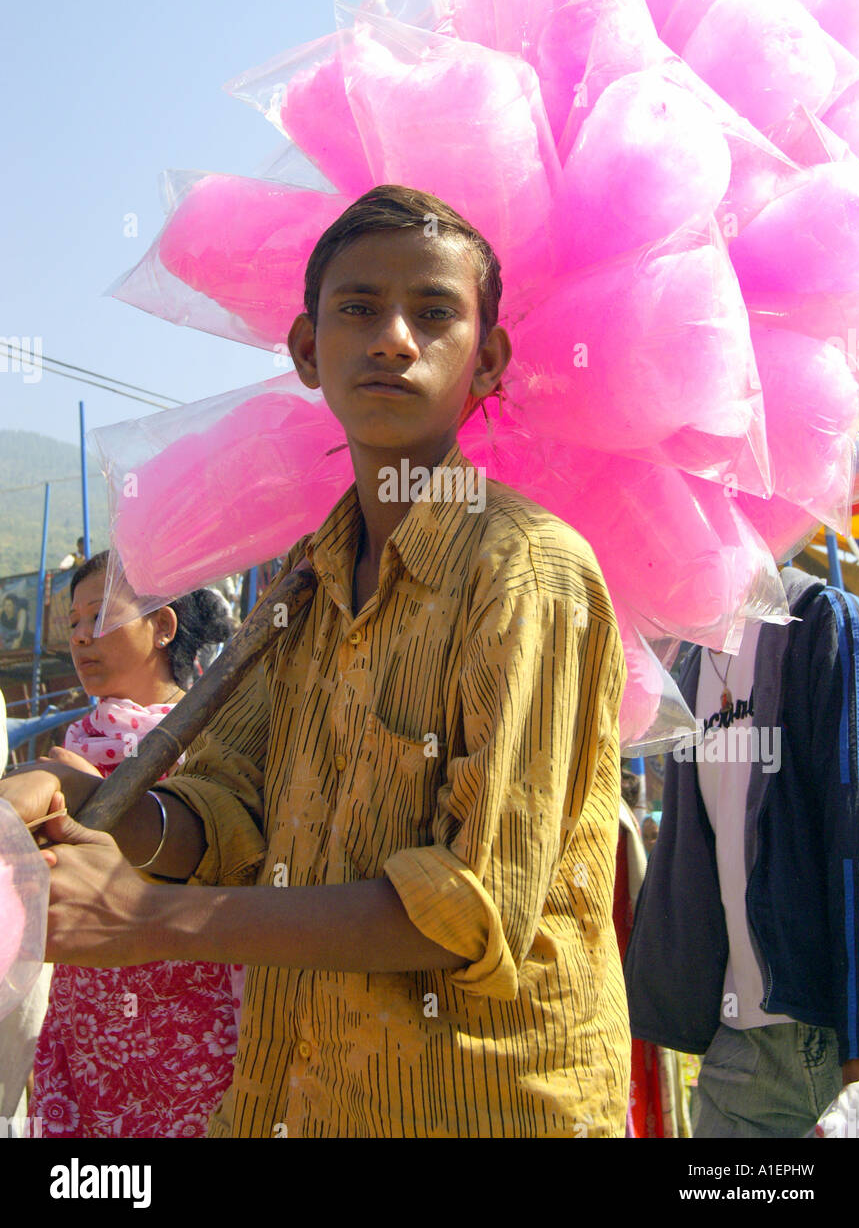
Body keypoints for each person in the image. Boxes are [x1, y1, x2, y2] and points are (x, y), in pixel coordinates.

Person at [4, 185, 629, 1138]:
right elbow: (232, 811)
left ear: (488, 360)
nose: (391, 338)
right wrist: (112, 813)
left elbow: (471, 906)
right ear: (307, 351)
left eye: (433, 313)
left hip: (480, 1106)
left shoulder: (528, 572)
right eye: (357, 309)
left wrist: (147, 920)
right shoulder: (305, 581)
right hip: (297, 1096)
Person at [624, 563, 859, 1138]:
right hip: (737, 1045)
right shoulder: (689, 661)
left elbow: (854, 833)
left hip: (819, 1038)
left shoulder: (821, 621)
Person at [25, 551, 241, 1138]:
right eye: (71, 623)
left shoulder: (215, 740)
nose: (78, 638)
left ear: (162, 625)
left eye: (97, 617)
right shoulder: (75, 742)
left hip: (188, 1009)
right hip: (86, 1001)